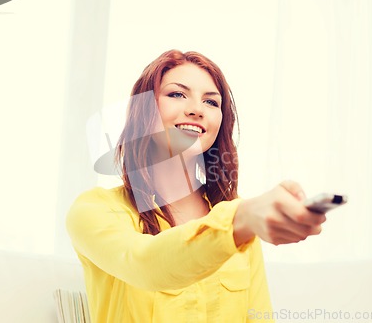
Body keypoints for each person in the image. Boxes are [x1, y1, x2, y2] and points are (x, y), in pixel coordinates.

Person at [66, 50, 326, 322]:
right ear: (143, 111)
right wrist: (240, 219)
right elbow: (145, 264)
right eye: (176, 94)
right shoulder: (96, 210)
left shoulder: (240, 224)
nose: (196, 109)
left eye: (211, 102)